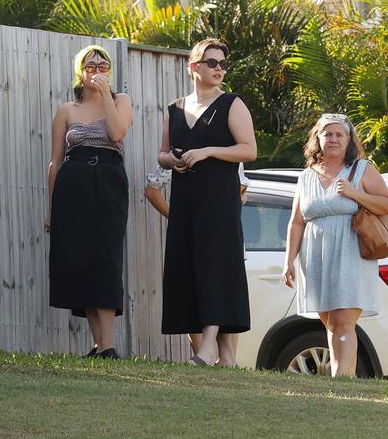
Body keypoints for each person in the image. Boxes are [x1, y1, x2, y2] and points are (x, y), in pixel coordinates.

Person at [159, 38, 257, 367]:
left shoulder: (232, 104)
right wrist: (172, 160)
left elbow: (249, 150)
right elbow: (161, 153)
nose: (219, 69)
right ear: (193, 67)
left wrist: (208, 151)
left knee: (216, 269)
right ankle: (227, 359)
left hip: (219, 201)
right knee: (191, 269)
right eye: (211, 62)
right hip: (186, 200)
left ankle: (206, 349)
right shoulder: (174, 108)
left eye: (223, 64)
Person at [283, 114, 388, 376]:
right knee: (330, 322)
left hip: (351, 254)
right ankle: (342, 379)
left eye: (339, 134)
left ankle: (342, 378)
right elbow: (296, 222)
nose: (333, 139)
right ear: (317, 139)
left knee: (343, 321)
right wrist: (289, 262)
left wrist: (355, 193)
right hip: (315, 257)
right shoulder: (306, 176)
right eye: (327, 134)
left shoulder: (363, 169)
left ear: (349, 140)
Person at [46, 45, 133, 359]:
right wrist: (51, 208)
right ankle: (98, 345)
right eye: (90, 65)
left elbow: (117, 132)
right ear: (79, 73)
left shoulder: (120, 100)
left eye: (103, 65)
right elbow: (55, 161)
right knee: (81, 261)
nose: (97, 70)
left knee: (105, 260)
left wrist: (107, 95)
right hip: (73, 187)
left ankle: (109, 345)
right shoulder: (66, 110)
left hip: (108, 182)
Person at [144, 164, 250, 362]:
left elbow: (242, 190)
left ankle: (228, 360)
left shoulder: (232, 154)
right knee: (197, 291)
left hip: (227, 237)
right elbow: (152, 189)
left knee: (225, 294)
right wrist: (182, 221)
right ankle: (204, 355)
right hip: (196, 238)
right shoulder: (185, 153)